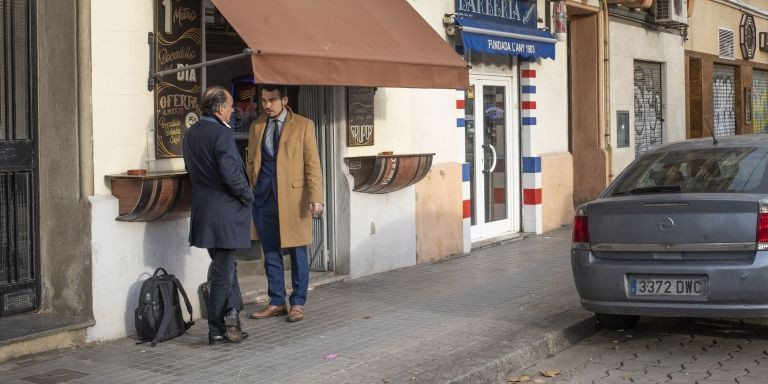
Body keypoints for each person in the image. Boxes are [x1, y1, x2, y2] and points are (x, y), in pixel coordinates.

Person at [247, 84, 323, 322]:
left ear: (284, 100)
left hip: (294, 198)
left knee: (298, 249)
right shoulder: (257, 125)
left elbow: (312, 163)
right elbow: (251, 161)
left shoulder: (303, 125)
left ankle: (298, 303)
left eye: (271, 100)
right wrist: (253, 187)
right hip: (264, 197)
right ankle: (277, 301)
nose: (267, 105)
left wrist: (316, 197)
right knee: (270, 251)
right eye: (263, 100)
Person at [183, 86, 253, 344]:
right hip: (225, 213)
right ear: (220, 109)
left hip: (204, 212)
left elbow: (191, 169)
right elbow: (231, 174)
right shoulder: (221, 134)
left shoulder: (191, 133)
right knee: (223, 272)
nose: (233, 110)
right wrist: (248, 195)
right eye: (231, 106)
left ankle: (233, 313)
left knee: (226, 266)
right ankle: (215, 327)